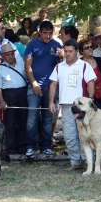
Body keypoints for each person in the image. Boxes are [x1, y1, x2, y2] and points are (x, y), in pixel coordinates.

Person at [49, 39, 96, 171]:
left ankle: (88, 161)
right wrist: (51, 102)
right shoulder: (59, 67)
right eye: (66, 51)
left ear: (76, 51)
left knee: (85, 134)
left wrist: (90, 100)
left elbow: (91, 83)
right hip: (66, 106)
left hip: (82, 107)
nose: (68, 54)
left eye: (71, 51)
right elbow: (53, 84)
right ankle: (75, 161)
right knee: (69, 135)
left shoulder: (84, 65)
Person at [24, 20, 62, 157]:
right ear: (40, 32)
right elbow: (27, 67)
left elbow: (61, 66)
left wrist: (61, 57)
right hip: (35, 85)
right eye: (45, 33)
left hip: (51, 86)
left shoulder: (57, 45)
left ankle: (46, 145)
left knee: (48, 118)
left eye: (50, 33)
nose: (47, 36)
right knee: (32, 117)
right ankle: (30, 146)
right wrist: (34, 83)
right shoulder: (32, 44)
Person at [0, 42, 29, 155]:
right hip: (9, 94)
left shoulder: (21, 64)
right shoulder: (0, 69)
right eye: (7, 55)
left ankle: (22, 146)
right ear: (3, 56)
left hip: (22, 92)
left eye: (11, 54)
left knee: (23, 120)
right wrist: (2, 101)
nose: (10, 56)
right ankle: (11, 147)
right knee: (10, 122)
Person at [79, 38, 101, 109]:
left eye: (91, 47)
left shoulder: (100, 61)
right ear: (81, 51)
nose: (90, 49)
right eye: (86, 48)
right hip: (84, 96)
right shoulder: (78, 64)